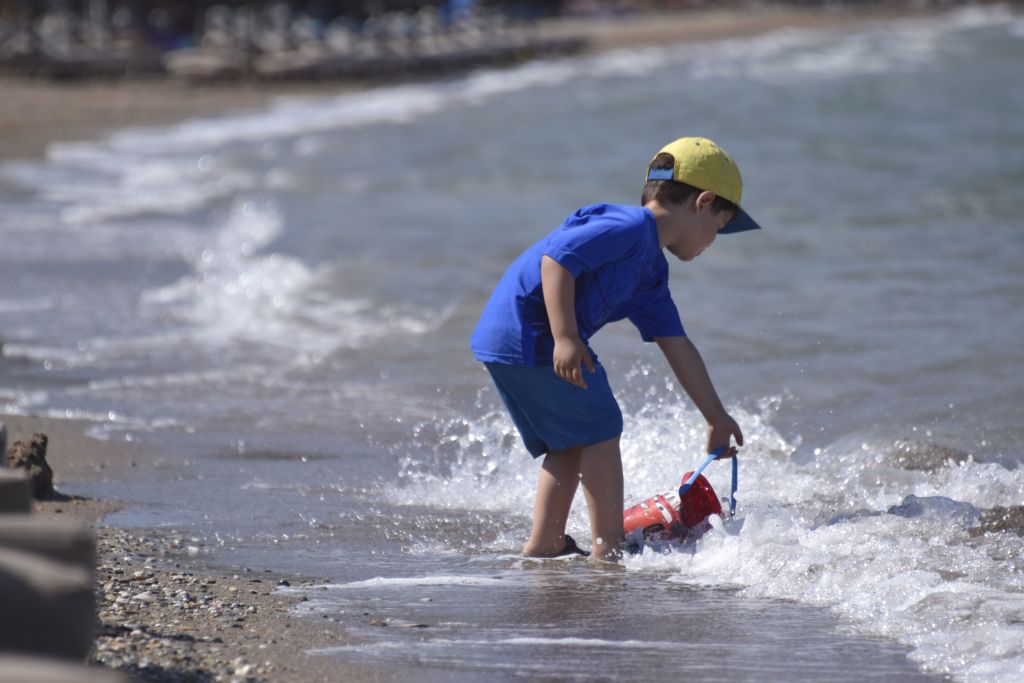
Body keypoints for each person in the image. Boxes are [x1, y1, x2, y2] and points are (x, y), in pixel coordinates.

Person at [470, 137, 760, 560]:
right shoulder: (627, 227)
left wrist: (714, 415)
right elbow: (557, 260)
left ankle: (545, 543)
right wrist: (566, 337)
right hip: (534, 332)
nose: (713, 240)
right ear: (703, 202)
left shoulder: (649, 274)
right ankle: (609, 549)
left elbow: (676, 344)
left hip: (505, 338)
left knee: (569, 442)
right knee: (602, 425)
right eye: (719, 226)